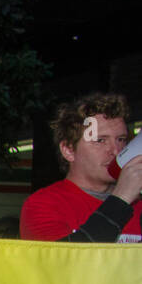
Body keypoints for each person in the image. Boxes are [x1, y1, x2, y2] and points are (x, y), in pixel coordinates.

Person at [20, 91, 142, 242]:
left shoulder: (137, 205)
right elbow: (65, 261)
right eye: (100, 140)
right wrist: (121, 200)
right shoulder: (43, 205)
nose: (116, 151)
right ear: (68, 150)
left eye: (121, 139)